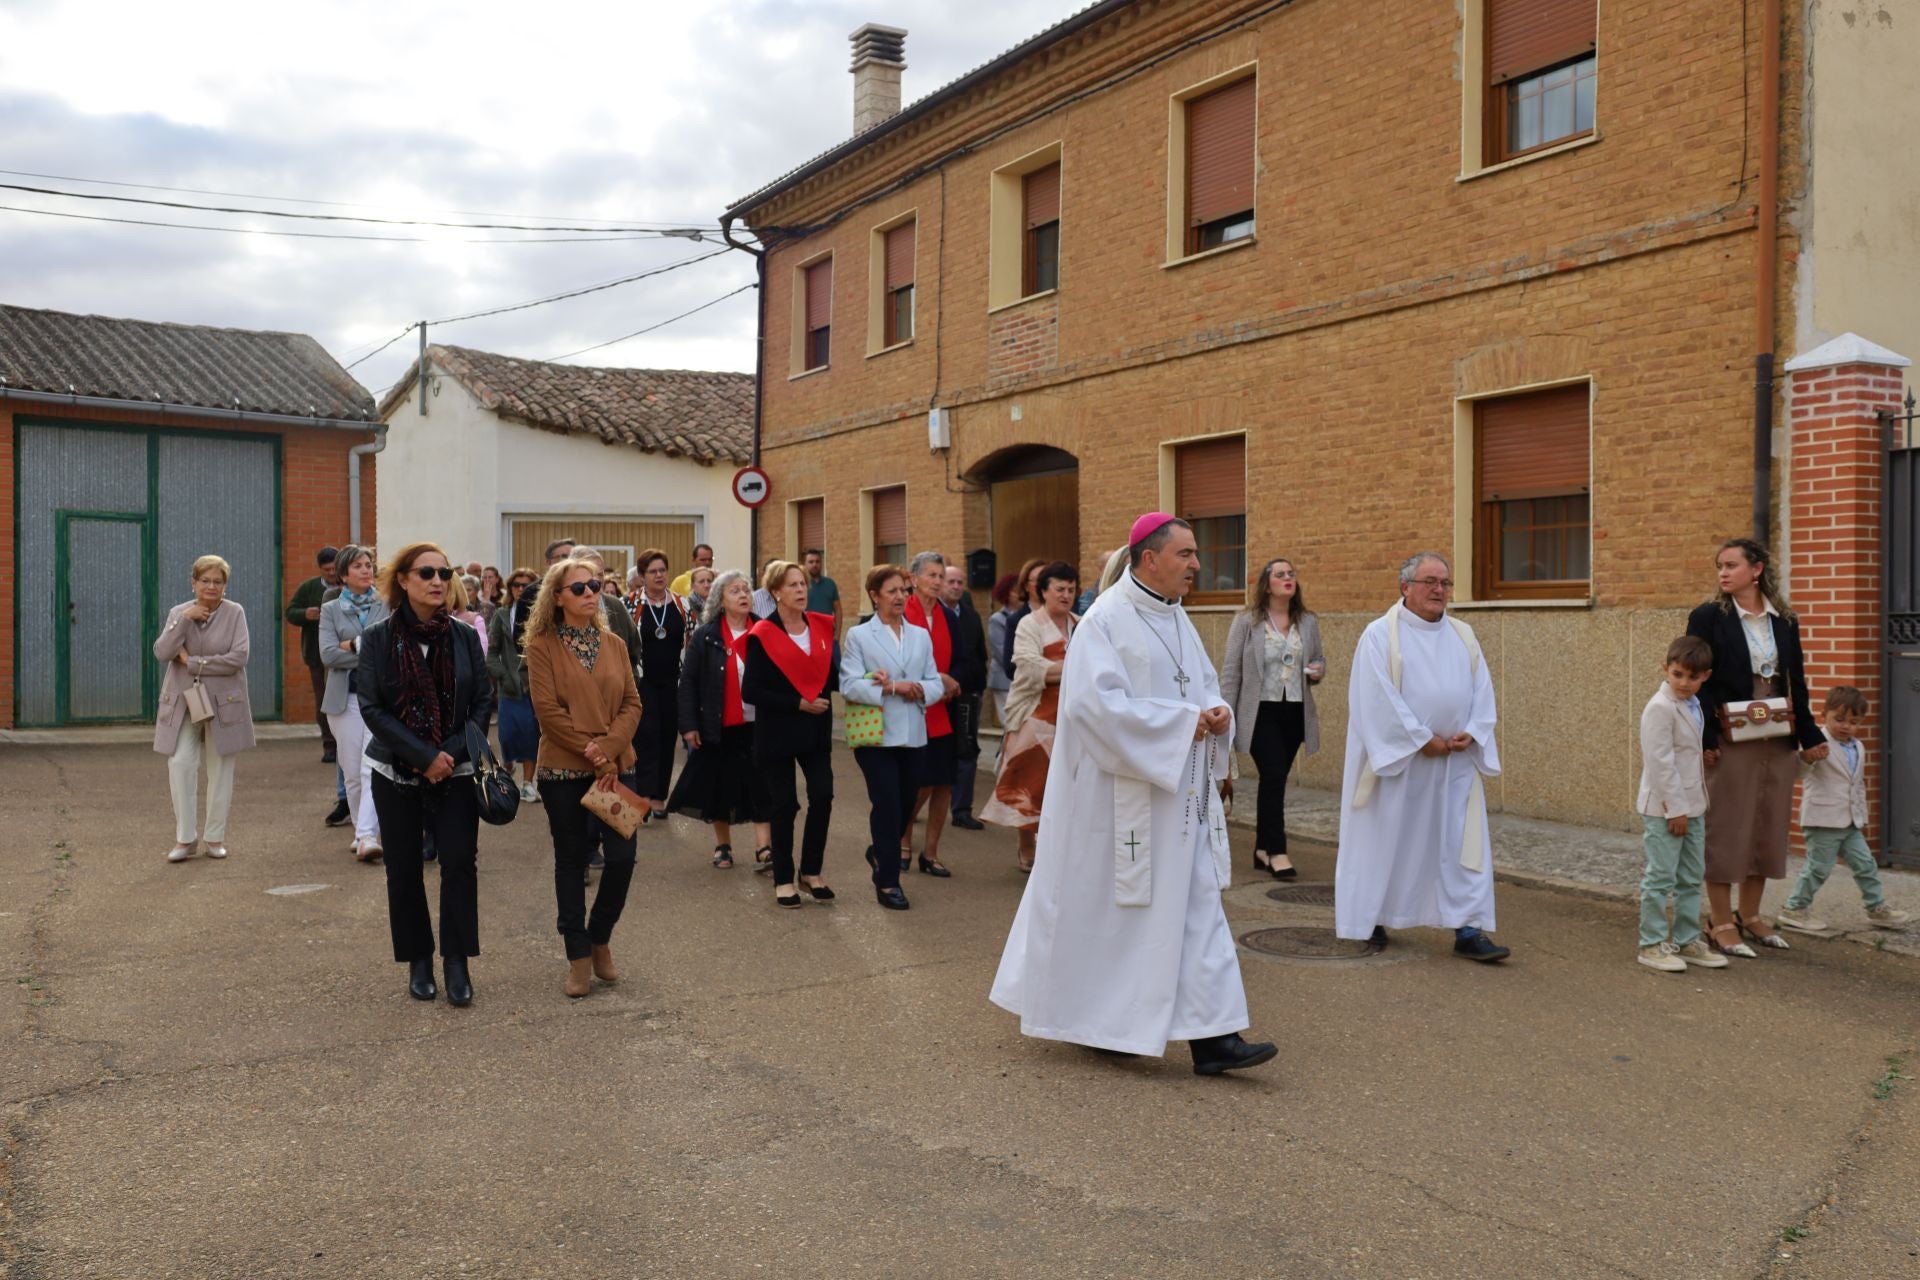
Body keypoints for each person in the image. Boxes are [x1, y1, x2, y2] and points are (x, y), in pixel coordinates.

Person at [990, 515, 1275, 1075]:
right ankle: (1109, 1024)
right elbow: (1093, 707)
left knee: (1195, 909)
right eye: (1186, 554)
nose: (1197, 564)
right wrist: (1178, 726)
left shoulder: (1175, 617)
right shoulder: (1106, 621)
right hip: (1123, 803)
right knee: (1123, 915)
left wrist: (1215, 714)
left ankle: (1214, 1038)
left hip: (1180, 799)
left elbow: (1200, 686)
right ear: (1150, 558)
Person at [1333, 552, 1509, 962]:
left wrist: (1476, 730)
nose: (1439, 590)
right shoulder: (1379, 635)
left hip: (1454, 766)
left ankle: (1468, 928)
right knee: (1386, 843)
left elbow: (1482, 690)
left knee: (1460, 847)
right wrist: (1418, 739)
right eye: (1430, 581)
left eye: (1445, 583)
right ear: (1405, 587)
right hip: (1399, 768)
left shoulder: (1463, 635)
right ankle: (1371, 918)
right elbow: (1373, 699)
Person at [357, 542, 494, 1007]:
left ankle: (457, 961)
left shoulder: (465, 635)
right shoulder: (376, 638)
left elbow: (481, 703)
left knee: (458, 863)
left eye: (445, 572)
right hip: (395, 770)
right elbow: (372, 706)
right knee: (404, 869)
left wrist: (446, 757)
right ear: (403, 580)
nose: (438, 581)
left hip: (454, 771)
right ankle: (419, 959)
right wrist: (420, 755)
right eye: (427, 573)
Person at [1686, 537, 1825, 956]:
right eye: (1719, 566)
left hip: (1777, 732)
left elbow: (1795, 680)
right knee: (1728, 827)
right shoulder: (1709, 616)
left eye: (1731, 565)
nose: (1723, 573)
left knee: (1766, 825)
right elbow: (1697, 679)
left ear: (1757, 569)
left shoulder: (1783, 619)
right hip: (1730, 734)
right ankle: (1719, 920)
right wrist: (1706, 737)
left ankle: (1751, 916)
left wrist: (1810, 734)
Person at [525, 557, 645, 998]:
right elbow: (548, 712)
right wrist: (591, 751)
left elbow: (633, 702)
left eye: (593, 585)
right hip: (564, 770)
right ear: (557, 597)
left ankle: (600, 938)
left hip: (615, 769)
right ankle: (577, 956)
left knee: (621, 858)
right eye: (578, 588)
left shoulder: (613, 643)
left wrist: (608, 749)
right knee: (572, 861)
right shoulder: (541, 646)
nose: (589, 592)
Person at [842, 564, 946, 910]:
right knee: (886, 803)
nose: (901, 597)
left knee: (904, 805)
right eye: (893, 591)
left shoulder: (920, 635)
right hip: (876, 736)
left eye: (904, 590)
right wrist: (882, 684)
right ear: (875, 596)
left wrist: (913, 688)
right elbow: (849, 684)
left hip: (913, 734)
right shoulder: (860, 636)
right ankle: (888, 882)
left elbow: (934, 682)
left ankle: (878, 850)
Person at [1219, 558, 1326, 881]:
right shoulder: (1246, 622)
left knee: (1273, 781)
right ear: (1267, 584)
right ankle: (1277, 851)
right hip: (1260, 711)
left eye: (1291, 573)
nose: (1288, 578)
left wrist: (1318, 671)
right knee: (1275, 774)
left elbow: (1318, 659)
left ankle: (1262, 849)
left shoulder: (1306, 621)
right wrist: (1224, 712)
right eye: (1280, 574)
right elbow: (1231, 671)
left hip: (1294, 710)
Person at [742, 560, 840, 908]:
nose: (801, 590)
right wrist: (797, 702)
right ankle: (784, 877)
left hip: (816, 731)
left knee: (823, 795)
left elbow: (833, 676)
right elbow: (750, 691)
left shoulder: (821, 627)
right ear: (776, 593)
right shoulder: (763, 634)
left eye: (803, 584)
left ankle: (811, 872)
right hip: (779, 731)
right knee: (784, 805)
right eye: (793, 585)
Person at [1779, 687, 1912, 933]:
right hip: (1822, 819)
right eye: (1839, 719)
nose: (1845, 726)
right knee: (1819, 868)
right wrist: (1808, 758)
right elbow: (1798, 773)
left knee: (1866, 864)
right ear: (1824, 714)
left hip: (1850, 821)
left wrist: (1861, 815)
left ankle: (1876, 907)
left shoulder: (1858, 747)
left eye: (1853, 722)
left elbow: (1857, 784)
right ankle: (1794, 908)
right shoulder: (1815, 741)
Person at [1633, 636, 1728, 973]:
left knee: (1691, 877)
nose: (1684, 683)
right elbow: (1659, 762)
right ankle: (1652, 944)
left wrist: (1703, 753)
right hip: (1667, 809)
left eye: (1693, 677)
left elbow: (1681, 750)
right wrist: (1676, 810)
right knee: (1661, 877)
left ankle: (1687, 939)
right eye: (1678, 675)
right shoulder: (1659, 707)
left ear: (1705, 676)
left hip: (1693, 804)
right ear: (1665, 670)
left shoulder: (1693, 703)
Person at [667, 570, 773, 870]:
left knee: (762, 784)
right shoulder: (706, 635)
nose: (743, 595)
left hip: (759, 724)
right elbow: (688, 682)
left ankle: (764, 847)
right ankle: (723, 845)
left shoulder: (764, 631)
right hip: (718, 723)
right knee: (721, 787)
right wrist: (688, 725)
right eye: (735, 591)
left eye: (746, 590)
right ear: (721, 601)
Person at [154, 554, 256, 862]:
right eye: (205, 580)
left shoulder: (234, 612)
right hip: (185, 702)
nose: (211, 587)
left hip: (224, 703)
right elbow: (162, 651)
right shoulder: (179, 612)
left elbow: (238, 657)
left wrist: (192, 662)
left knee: (220, 769)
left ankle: (215, 837)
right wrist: (185, 619)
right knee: (181, 763)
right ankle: (185, 838)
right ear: (194, 582)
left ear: (225, 585)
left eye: (218, 581)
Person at [980, 560, 1078, 873]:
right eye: (1060, 589)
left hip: (1071, 719)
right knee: (1028, 783)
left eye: (1071, 589)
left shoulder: (1080, 623)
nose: (1066, 595)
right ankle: (1026, 845)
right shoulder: (1029, 624)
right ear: (1044, 591)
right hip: (1035, 716)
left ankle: (1058, 848)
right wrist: (1074, 670)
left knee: (1066, 786)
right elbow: (1028, 665)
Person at [319, 545, 389, 863]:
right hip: (343, 700)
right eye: (358, 566)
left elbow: (390, 650)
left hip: (379, 699)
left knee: (370, 766)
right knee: (351, 771)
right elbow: (328, 654)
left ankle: (368, 835)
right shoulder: (331, 608)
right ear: (344, 574)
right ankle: (362, 831)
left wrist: (354, 645)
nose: (366, 570)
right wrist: (366, 650)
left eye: (368, 564)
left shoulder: (386, 605)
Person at [901, 551, 963, 875]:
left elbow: (965, 659)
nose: (939, 582)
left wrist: (954, 680)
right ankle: (903, 842)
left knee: (944, 784)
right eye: (932, 576)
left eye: (942, 576)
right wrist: (939, 678)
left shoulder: (949, 616)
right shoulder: (900, 614)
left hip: (943, 711)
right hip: (910, 708)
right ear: (914, 580)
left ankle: (931, 853)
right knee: (918, 783)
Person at [629, 547, 692, 817]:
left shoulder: (682, 604)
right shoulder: (630, 603)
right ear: (642, 576)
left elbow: (691, 640)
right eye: (652, 571)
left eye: (662, 570)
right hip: (643, 682)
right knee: (645, 736)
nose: (659, 575)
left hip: (673, 682)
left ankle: (659, 798)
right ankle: (642, 795)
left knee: (667, 736)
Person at [487, 569, 544, 803]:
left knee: (532, 735)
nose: (521, 589)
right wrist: (504, 676)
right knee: (508, 736)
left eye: (526, 585)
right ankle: (508, 766)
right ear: (510, 588)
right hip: (509, 688)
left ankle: (528, 784)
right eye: (517, 585)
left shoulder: (542, 615)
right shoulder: (501, 615)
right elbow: (491, 654)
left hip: (534, 687)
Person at [943, 563, 989, 831]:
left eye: (960, 582)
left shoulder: (971, 616)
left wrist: (977, 686)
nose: (956, 587)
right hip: (938, 696)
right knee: (935, 756)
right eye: (951, 582)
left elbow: (980, 654)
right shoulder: (933, 617)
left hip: (968, 694)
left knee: (967, 750)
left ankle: (962, 809)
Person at [286, 545, 340, 764]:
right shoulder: (308, 588)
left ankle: (347, 744)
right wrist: (304, 614)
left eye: (334, 568)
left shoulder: (349, 587)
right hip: (317, 656)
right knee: (323, 701)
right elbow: (290, 612)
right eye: (327, 569)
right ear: (320, 569)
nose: (331, 573)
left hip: (346, 654)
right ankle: (330, 746)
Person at [999, 557, 1048, 682]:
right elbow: (1010, 668)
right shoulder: (1016, 621)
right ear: (1026, 586)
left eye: (1046, 580)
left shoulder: (1064, 617)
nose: (1042, 585)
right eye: (1038, 580)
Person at [985, 572, 1018, 728]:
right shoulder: (997, 619)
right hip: (1004, 680)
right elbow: (1001, 651)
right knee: (1010, 725)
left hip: (1020, 679)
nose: (1019, 595)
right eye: (1015, 591)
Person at [1075, 547, 1125, 615]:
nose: (1117, 571)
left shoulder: (1124, 592)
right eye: (1112, 567)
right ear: (1100, 569)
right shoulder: (1089, 597)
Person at [803, 548, 841, 634]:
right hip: (808, 634)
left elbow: (838, 610)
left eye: (817, 561)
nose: (814, 565)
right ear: (805, 564)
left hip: (828, 634)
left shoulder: (830, 584)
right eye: (811, 562)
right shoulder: (801, 585)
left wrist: (837, 636)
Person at [449, 574, 489, 655]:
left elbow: (483, 649)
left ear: (477, 591)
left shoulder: (482, 611)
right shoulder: (449, 612)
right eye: (462, 590)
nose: (465, 593)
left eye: (468, 590)